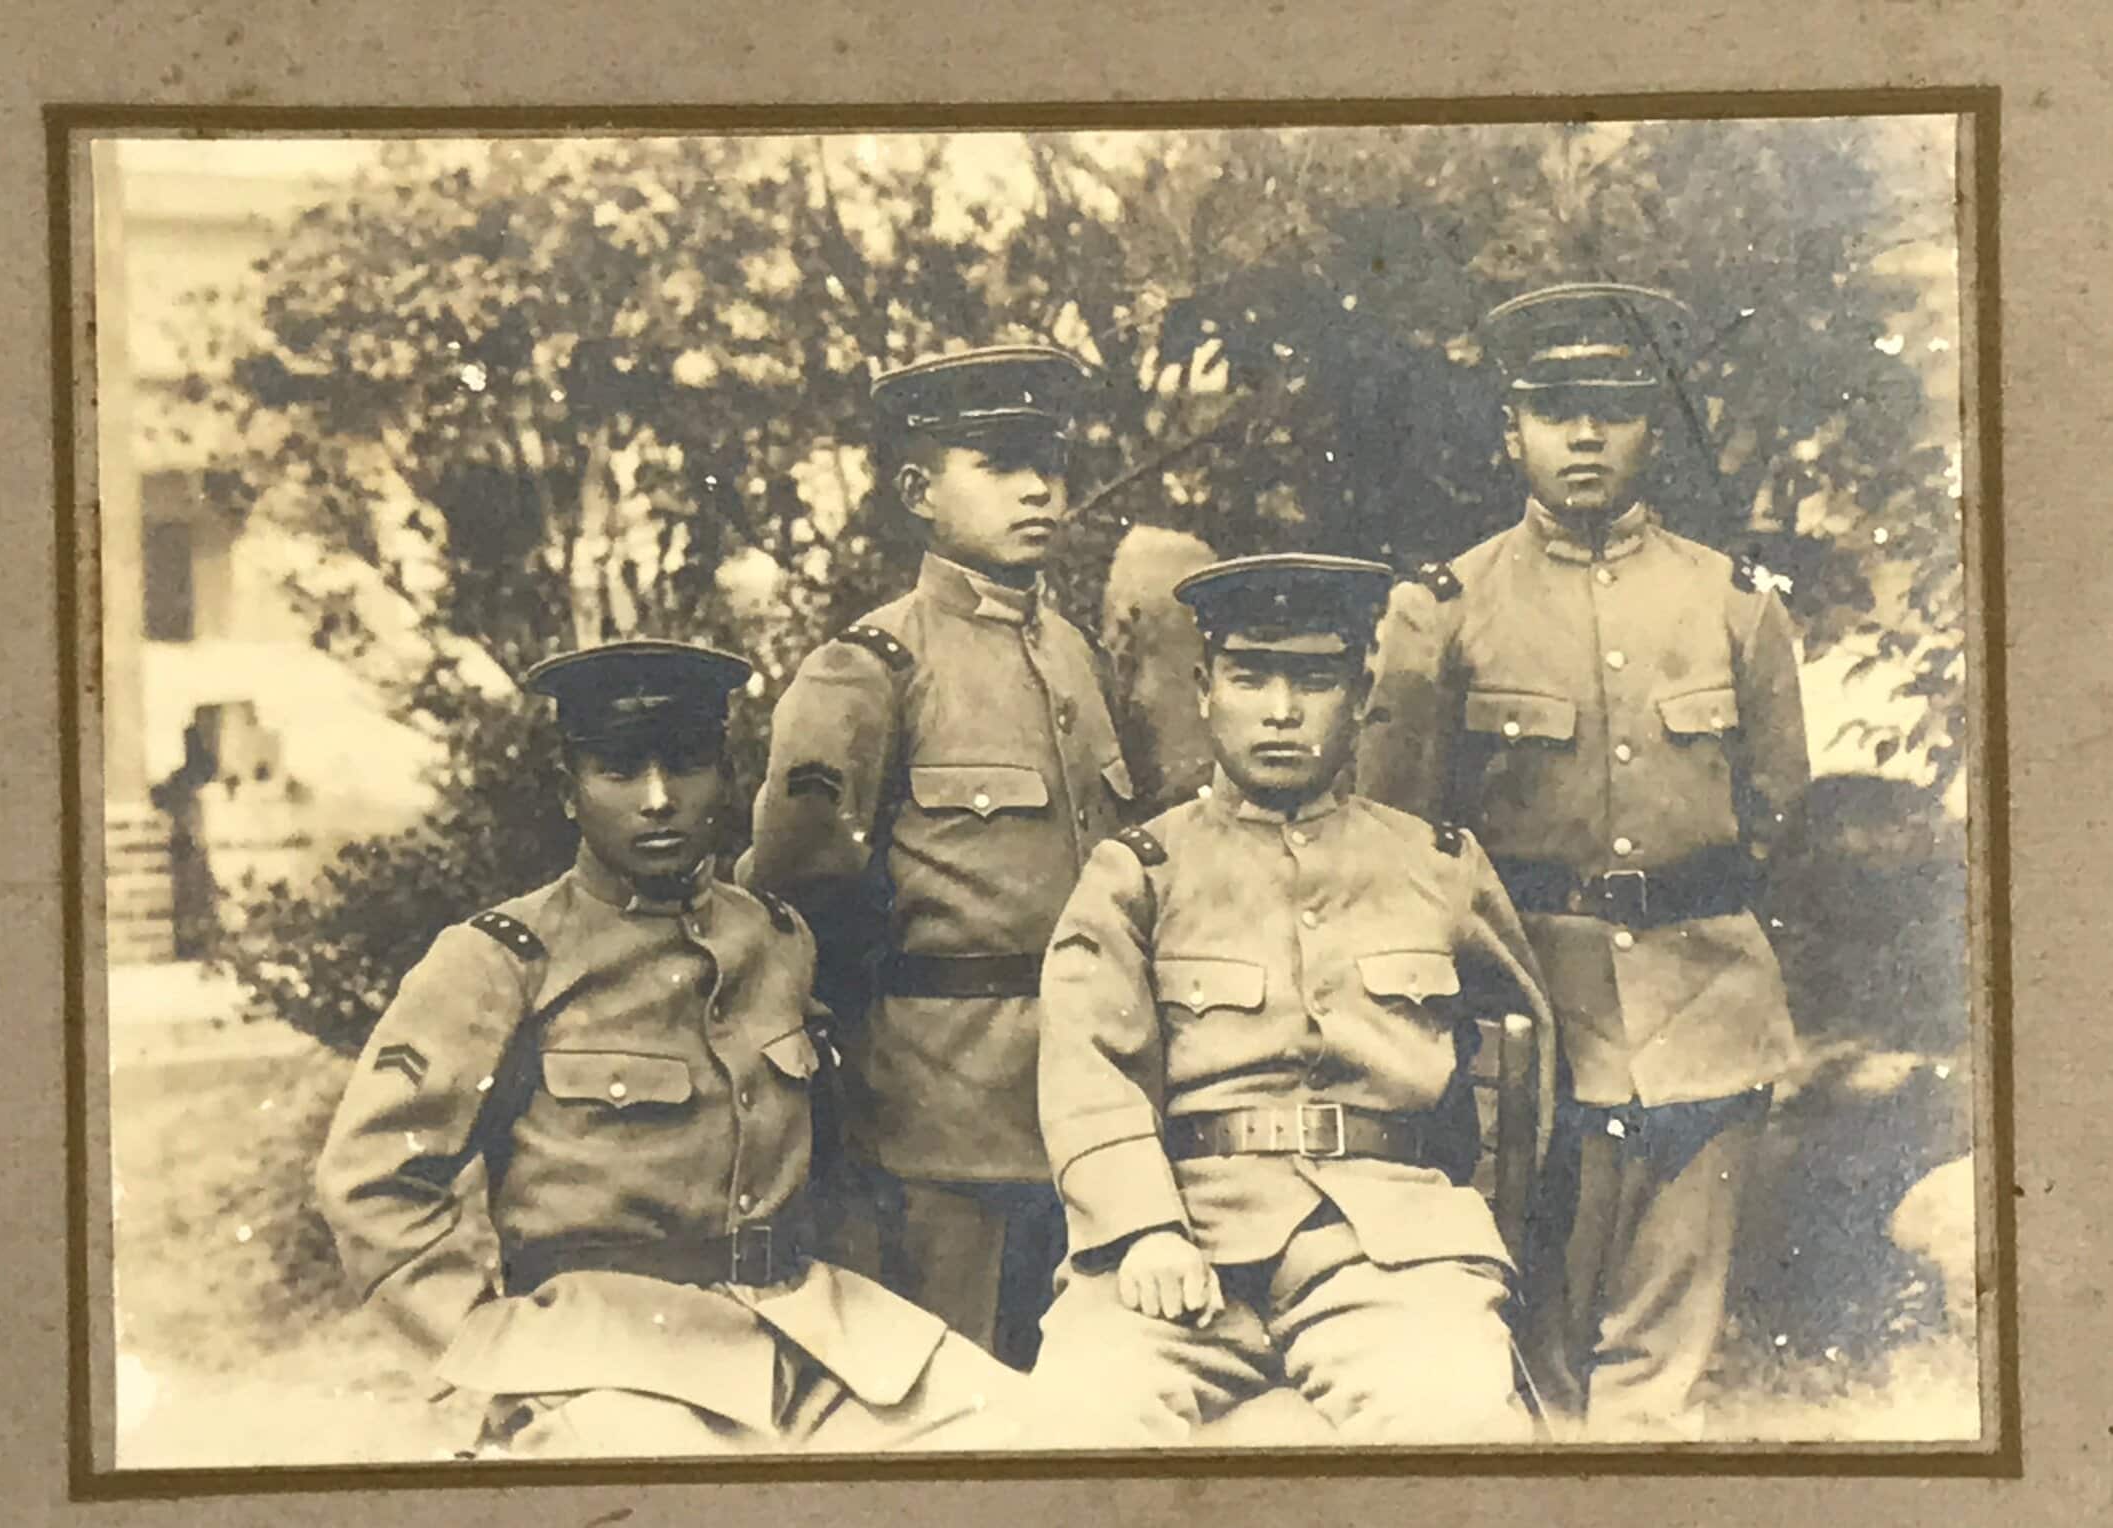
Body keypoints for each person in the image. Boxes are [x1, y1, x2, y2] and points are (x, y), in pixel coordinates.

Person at [313, 640, 1023, 1457]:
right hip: (603, 1353)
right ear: (569, 792)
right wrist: (482, 1351)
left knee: (1039, 1445)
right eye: (618, 771)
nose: (657, 798)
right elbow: (370, 1180)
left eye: (685, 765)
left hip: (811, 1334)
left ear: (724, 779)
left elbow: (830, 1164)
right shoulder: (503, 959)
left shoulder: (776, 937)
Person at [1357, 283, 1813, 1441]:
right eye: (1557, 410)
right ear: (1511, 429)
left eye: (1612, 409)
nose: (1587, 437)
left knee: (1666, 1362)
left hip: (1705, 1004)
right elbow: (1398, 831)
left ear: (1652, 426)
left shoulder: (1737, 605)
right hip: (1530, 1021)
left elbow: (1775, 810)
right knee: (1536, 1347)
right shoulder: (1444, 612)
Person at [1025, 554, 1556, 1446]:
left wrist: (1468, 1236)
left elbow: (1523, 1060)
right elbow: (1087, 1067)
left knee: (1452, 1426)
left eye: (1314, 680)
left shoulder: (1437, 867)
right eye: (1249, 676)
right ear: (1204, 690)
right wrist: (1142, 1228)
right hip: (1181, 1244)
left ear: (1360, 695)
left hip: (1391, 1253)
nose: (1279, 709)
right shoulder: (1139, 873)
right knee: (1079, 1419)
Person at [742, 345, 1134, 1371]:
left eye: (1050, 458)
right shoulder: (869, 669)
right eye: (1000, 461)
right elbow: (790, 896)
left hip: (1085, 1102)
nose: (1041, 485)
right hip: (935, 1121)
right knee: (941, 1399)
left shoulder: (1077, 659)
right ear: (917, 489)